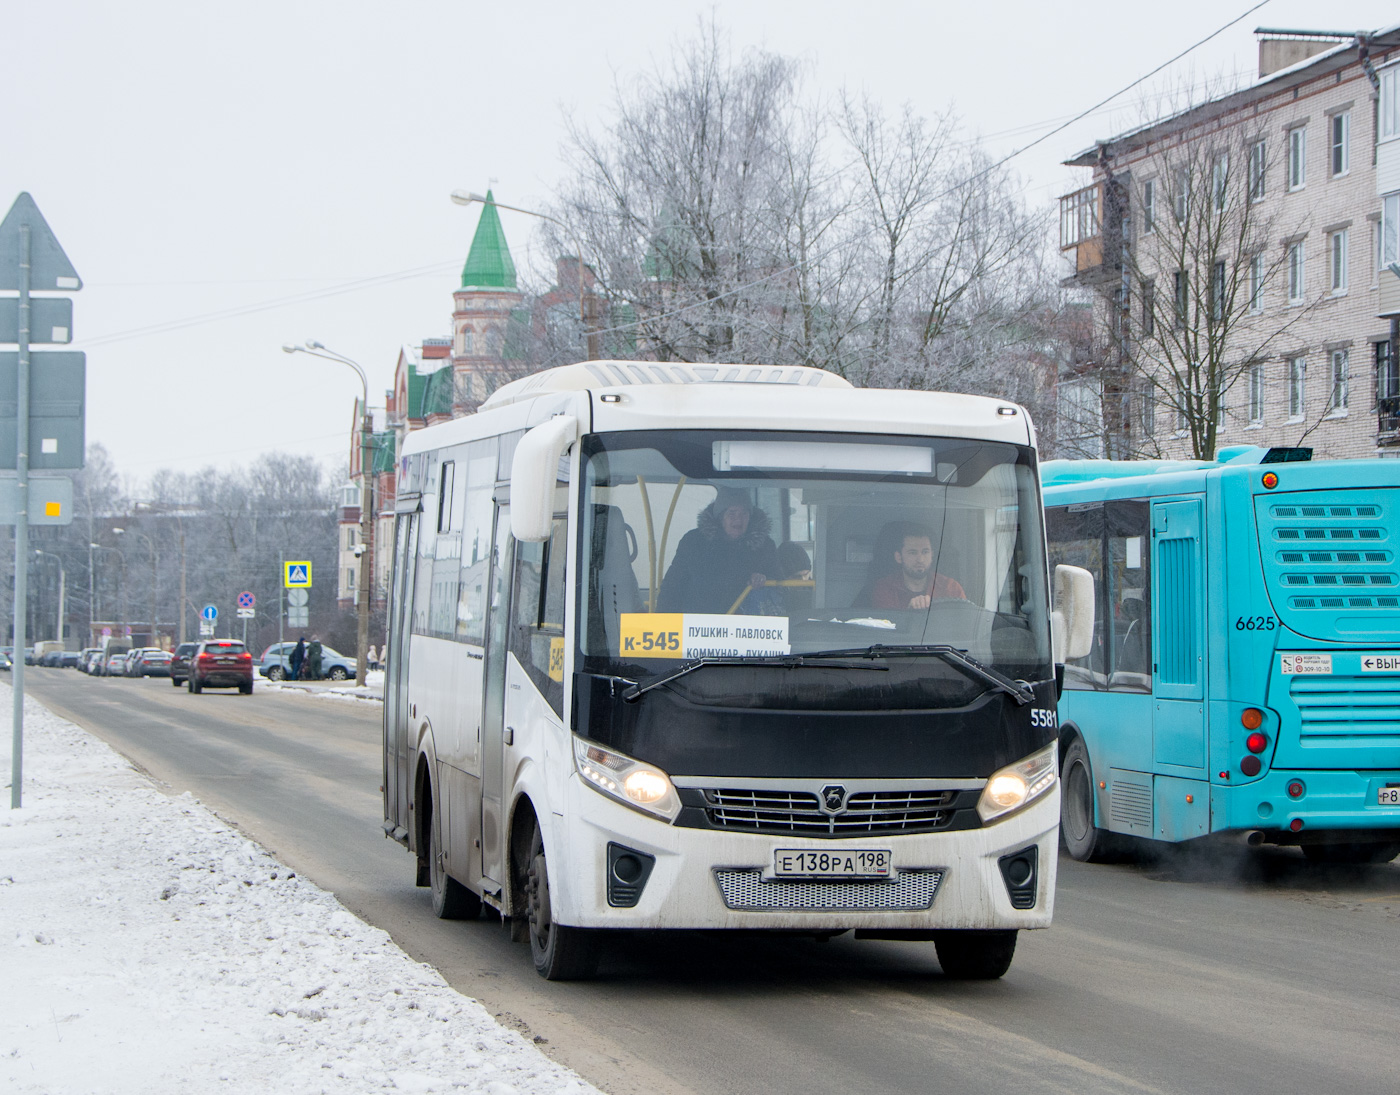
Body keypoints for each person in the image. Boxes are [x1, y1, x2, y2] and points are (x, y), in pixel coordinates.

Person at [658, 487, 778, 615]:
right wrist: (659, 624)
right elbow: (672, 588)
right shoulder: (693, 542)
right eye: (732, 513)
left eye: (744, 513)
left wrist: (765, 580)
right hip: (698, 628)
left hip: (748, 629)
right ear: (720, 516)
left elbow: (780, 584)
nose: (738, 520)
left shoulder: (765, 546)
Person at [870, 525, 966, 610]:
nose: (920, 559)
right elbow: (885, 627)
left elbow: (963, 623)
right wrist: (908, 612)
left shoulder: (950, 587)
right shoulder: (885, 589)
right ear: (899, 557)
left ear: (932, 555)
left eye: (925, 552)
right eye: (913, 552)